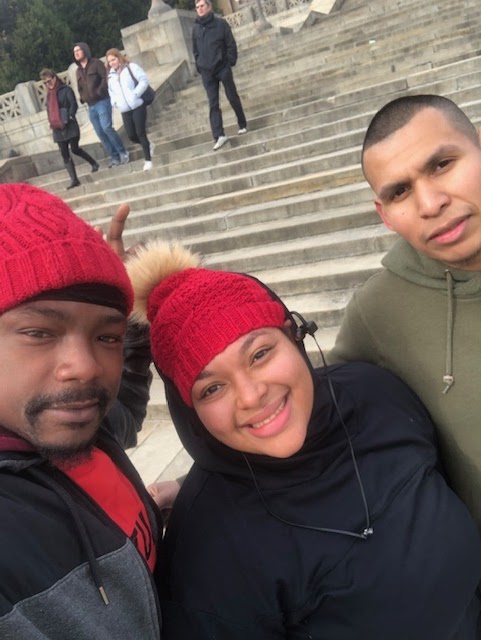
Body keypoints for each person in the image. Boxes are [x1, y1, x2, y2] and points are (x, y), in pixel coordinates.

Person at [126, 239, 481, 639]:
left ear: (294, 335)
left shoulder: (377, 395)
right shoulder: (207, 555)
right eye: (212, 388)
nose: (251, 396)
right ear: (190, 412)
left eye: (259, 354)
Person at [0, 184, 162, 639]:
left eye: (106, 337)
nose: (86, 367)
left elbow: (124, 414)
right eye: (39, 332)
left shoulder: (78, 427)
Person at [327, 94, 481, 532]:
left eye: (442, 164)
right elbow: (308, 415)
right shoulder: (378, 313)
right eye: (400, 191)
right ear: (385, 215)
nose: (430, 204)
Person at [192, 0, 247, 151]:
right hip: (207, 71)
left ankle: (242, 123)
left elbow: (230, 43)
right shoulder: (196, 28)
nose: (199, 9)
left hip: (222, 66)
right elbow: (195, 50)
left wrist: (230, 61)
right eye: (197, 7)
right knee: (213, 103)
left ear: (209, 7)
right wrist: (199, 66)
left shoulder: (221, 24)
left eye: (202, 6)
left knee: (232, 96)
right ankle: (218, 135)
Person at [40, 68, 99, 190]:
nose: (48, 84)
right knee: (64, 153)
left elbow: (73, 104)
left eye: (49, 81)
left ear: (54, 78)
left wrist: (70, 116)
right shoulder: (49, 95)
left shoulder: (65, 89)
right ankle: (74, 179)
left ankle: (93, 163)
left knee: (75, 149)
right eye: (45, 83)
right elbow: (49, 110)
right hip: (57, 127)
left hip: (69, 124)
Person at [73, 42, 129, 168]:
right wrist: (82, 97)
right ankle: (114, 157)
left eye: (78, 50)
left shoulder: (96, 63)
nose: (76, 53)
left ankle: (122, 152)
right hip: (91, 105)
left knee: (106, 127)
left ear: (85, 50)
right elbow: (80, 87)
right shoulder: (78, 71)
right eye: (74, 52)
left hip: (102, 101)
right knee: (100, 133)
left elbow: (105, 78)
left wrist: (99, 91)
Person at [106, 48, 154, 172]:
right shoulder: (111, 76)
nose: (112, 63)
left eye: (113, 59)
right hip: (124, 109)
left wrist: (136, 93)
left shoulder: (131, 67)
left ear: (119, 57)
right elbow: (111, 92)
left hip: (137, 105)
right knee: (131, 135)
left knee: (140, 132)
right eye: (109, 61)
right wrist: (115, 103)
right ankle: (148, 145)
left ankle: (148, 160)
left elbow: (143, 80)